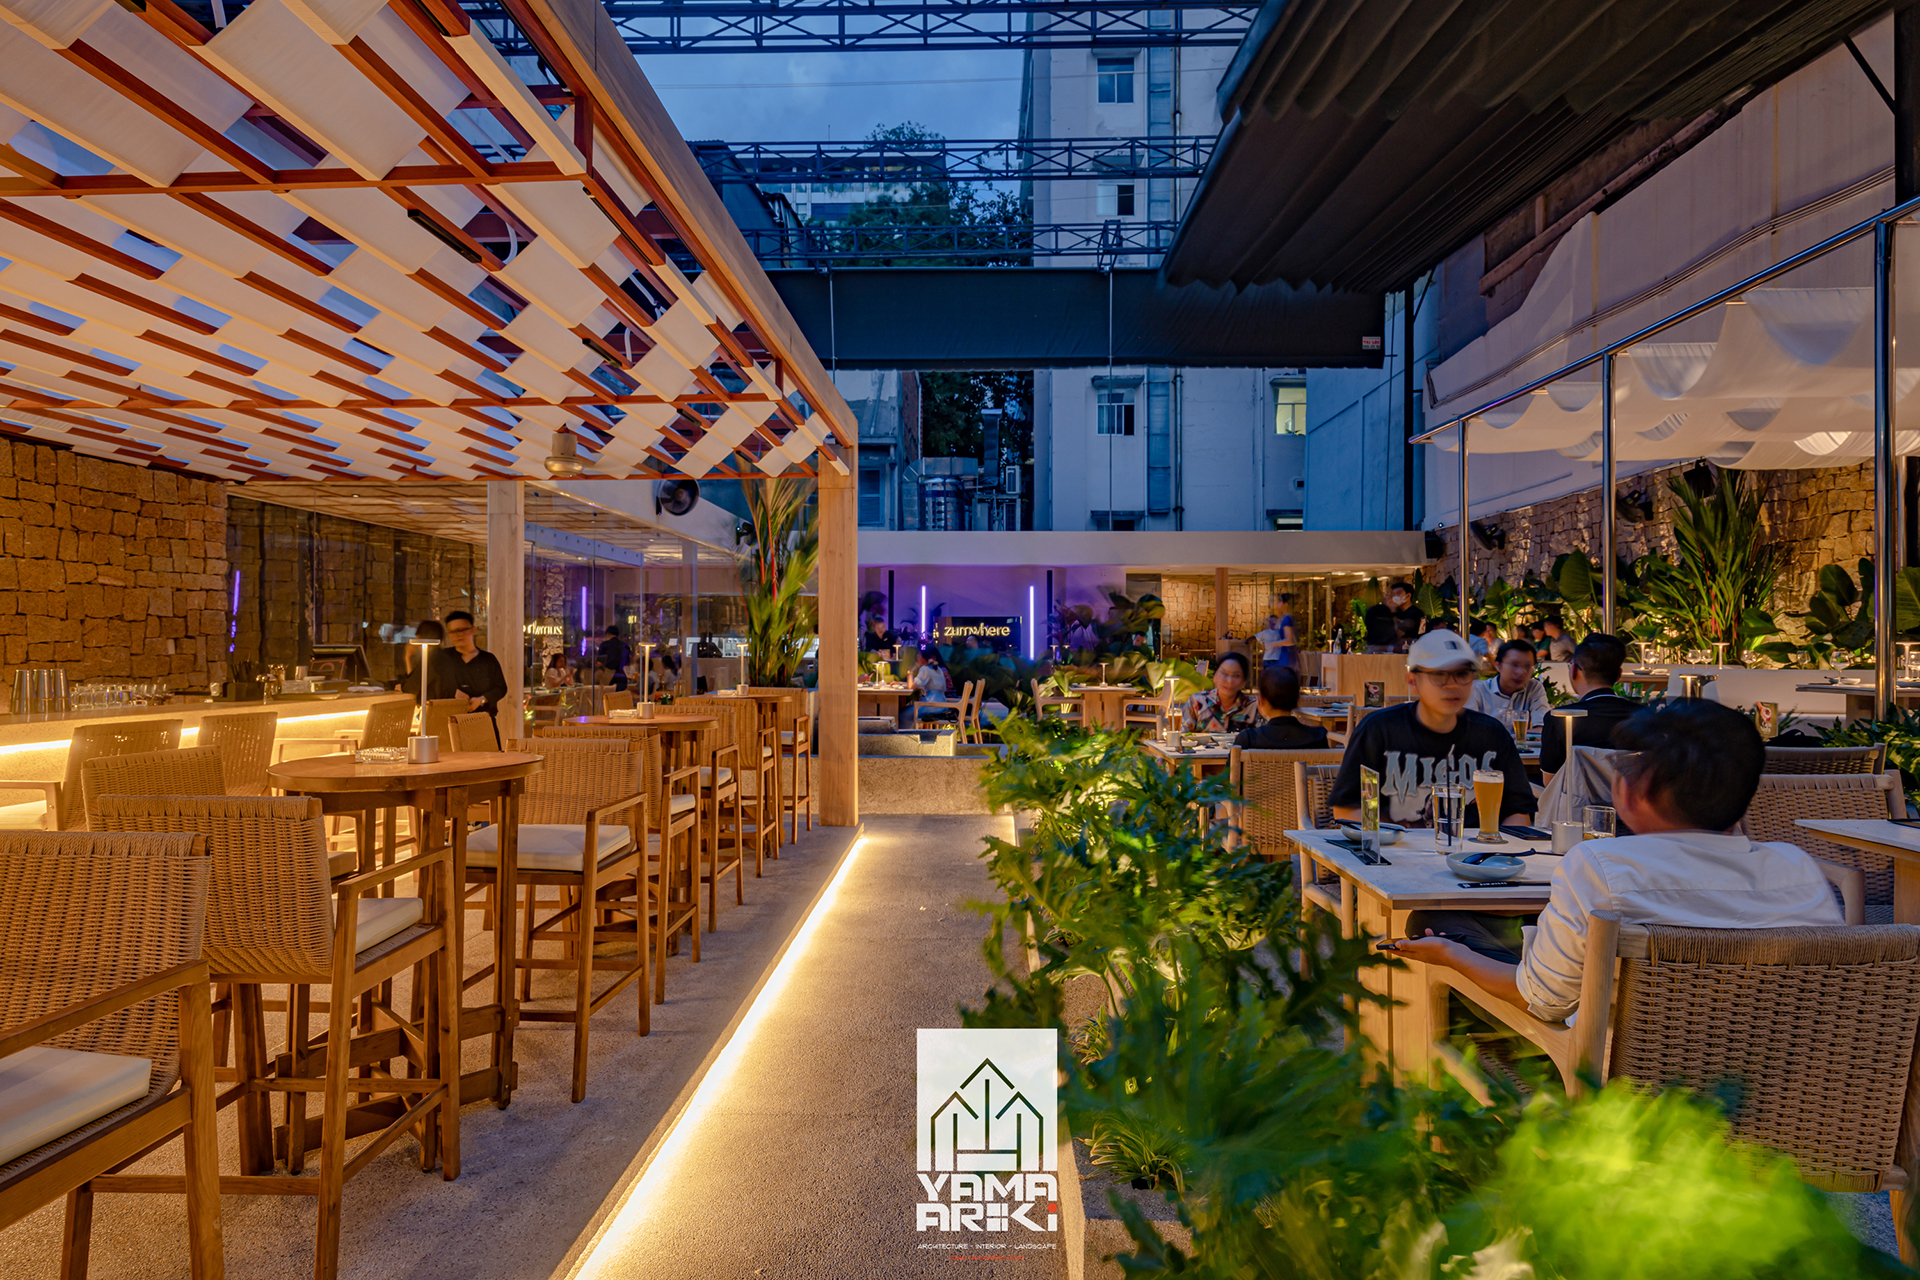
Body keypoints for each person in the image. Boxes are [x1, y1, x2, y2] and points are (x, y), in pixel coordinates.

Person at [1383, 700, 1842, 1018]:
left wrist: (1452, 956)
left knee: (1436, 923)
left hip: (1621, 1080)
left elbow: (1541, 1002)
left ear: (1636, 792)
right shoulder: (1800, 870)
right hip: (1784, 1083)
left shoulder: (1599, 866)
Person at [1330, 629, 1533, 827]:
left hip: (1474, 849)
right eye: (1439, 674)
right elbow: (1347, 808)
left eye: (1462, 674)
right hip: (1394, 847)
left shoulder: (1492, 734)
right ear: (1412, 681)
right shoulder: (1378, 730)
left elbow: (1518, 813)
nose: (1452, 684)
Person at [1539, 633, 1641, 783]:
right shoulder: (1645, 717)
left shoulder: (1560, 718)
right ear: (1618, 675)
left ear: (1574, 670)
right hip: (1630, 798)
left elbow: (1550, 783)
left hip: (1574, 799)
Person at [433, 610, 509, 725]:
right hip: (449, 723)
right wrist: (453, 691)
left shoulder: (488, 659)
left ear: (473, 630)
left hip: (483, 721)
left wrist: (481, 699)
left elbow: (500, 688)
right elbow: (432, 684)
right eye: (453, 631)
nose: (458, 635)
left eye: (462, 630)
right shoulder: (443, 658)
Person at [1233, 667, 1328, 749]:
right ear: (1298, 699)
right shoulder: (1318, 737)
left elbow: (1233, 765)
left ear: (1261, 700)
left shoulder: (1248, 739)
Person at [1465, 638, 1549, 731]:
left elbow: (1542, 729)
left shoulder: (1533, 688)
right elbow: (1469, 731)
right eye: (1514, 665)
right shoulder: (1478, 689)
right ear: (1498, 666)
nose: (1521, 672)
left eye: (1527, 666)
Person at [1183, 652, 1258, 732]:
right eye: (1224, 673)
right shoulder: (1197, 701)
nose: (1229, 681)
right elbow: (1182, 734)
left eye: (1236, 676)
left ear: (1244, 682)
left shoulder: (1254, 706)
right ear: (1215, 676)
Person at [1362, 582, 1424, 654]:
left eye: (1398, 593)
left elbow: (1397, 634)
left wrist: (1393, 611)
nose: (1395, 597)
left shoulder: (1415, 613)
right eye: (1393, 594)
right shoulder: (1395, 612)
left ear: (1408, 596)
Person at [396, 619, 444, 698]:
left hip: (431, 704)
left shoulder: (431, 660)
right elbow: (416, 682)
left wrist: (407, 657)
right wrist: (408, 659)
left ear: (419, 637)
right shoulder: (442, 656)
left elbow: (410, 688)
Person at [596, 625, 630, 692]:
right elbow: (627, 661)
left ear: (608, 634)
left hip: (608, 676)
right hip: (621, 676)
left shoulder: (605, 645)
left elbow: (600, 661)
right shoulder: (625, 646)